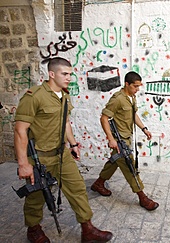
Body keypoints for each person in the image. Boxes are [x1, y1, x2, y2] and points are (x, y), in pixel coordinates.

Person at [14, 57, 113, 243]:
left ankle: (88, 229)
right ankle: (34, 229)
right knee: (37, 196)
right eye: (64, 74)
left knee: (77, 189)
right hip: (39, 158)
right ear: (52, 74)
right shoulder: (34, 96)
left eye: (70, 74)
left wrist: (73, 144)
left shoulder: (64, 96)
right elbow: (20, 130)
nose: (69, 77)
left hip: (62, 154)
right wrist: (23, 163)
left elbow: (65, 122)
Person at [91, 71, 159, 211]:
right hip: (119, 140)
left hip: (127, 137)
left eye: (139, 86)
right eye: (135, 86)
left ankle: (99, 183)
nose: (137, 89)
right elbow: (104, 118)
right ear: (127, 84)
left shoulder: (131, 97)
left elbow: (133, 114)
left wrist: (144, 129)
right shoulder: (117, 99)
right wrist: (111, 139)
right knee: (130, 167)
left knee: (114, 161)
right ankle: (143, 198)